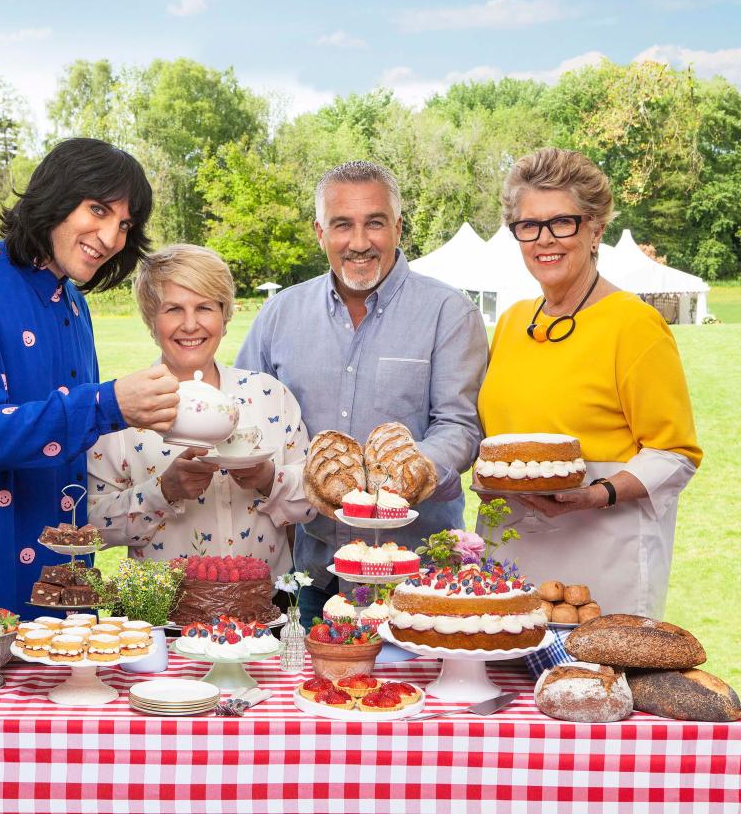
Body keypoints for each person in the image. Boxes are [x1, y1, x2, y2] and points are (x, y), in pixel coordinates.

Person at [0, 138, 181, 615]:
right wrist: (108, 404)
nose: (111, 237)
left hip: (67, 584)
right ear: (55, 197)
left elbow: (76, 444)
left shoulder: (75, 306)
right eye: (97, 210)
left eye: (124, 224)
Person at [236, 160, 487, 626]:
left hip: (418, 575)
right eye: (342, 225)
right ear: (319, 231)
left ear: (397, 226)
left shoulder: (449, 312)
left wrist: (408, 474)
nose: (359, 242)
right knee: (312, 694)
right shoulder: (280, 314)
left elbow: (460, 427)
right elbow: (246, 413)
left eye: (374, 222)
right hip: (315, 570)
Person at [477, 147, 702, 617]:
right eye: (529, 226)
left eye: (562, 222)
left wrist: (596, 493)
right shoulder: (514, 321)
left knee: (592, 686)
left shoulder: (633, 324)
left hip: (603, 557)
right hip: (510, 554)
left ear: (596, 228)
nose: (544, 239)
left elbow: (675, 454)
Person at [87, 244, 313, 579]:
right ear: (151, 320)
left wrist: (267, 479)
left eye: (205, 307)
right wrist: (163, 491)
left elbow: (312, 499)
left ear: (225, 317)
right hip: (163, 613)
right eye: (173, 309)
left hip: (266, 612)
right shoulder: (124, 409)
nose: (190, 325)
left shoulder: (269, 396)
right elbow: (94, 528)